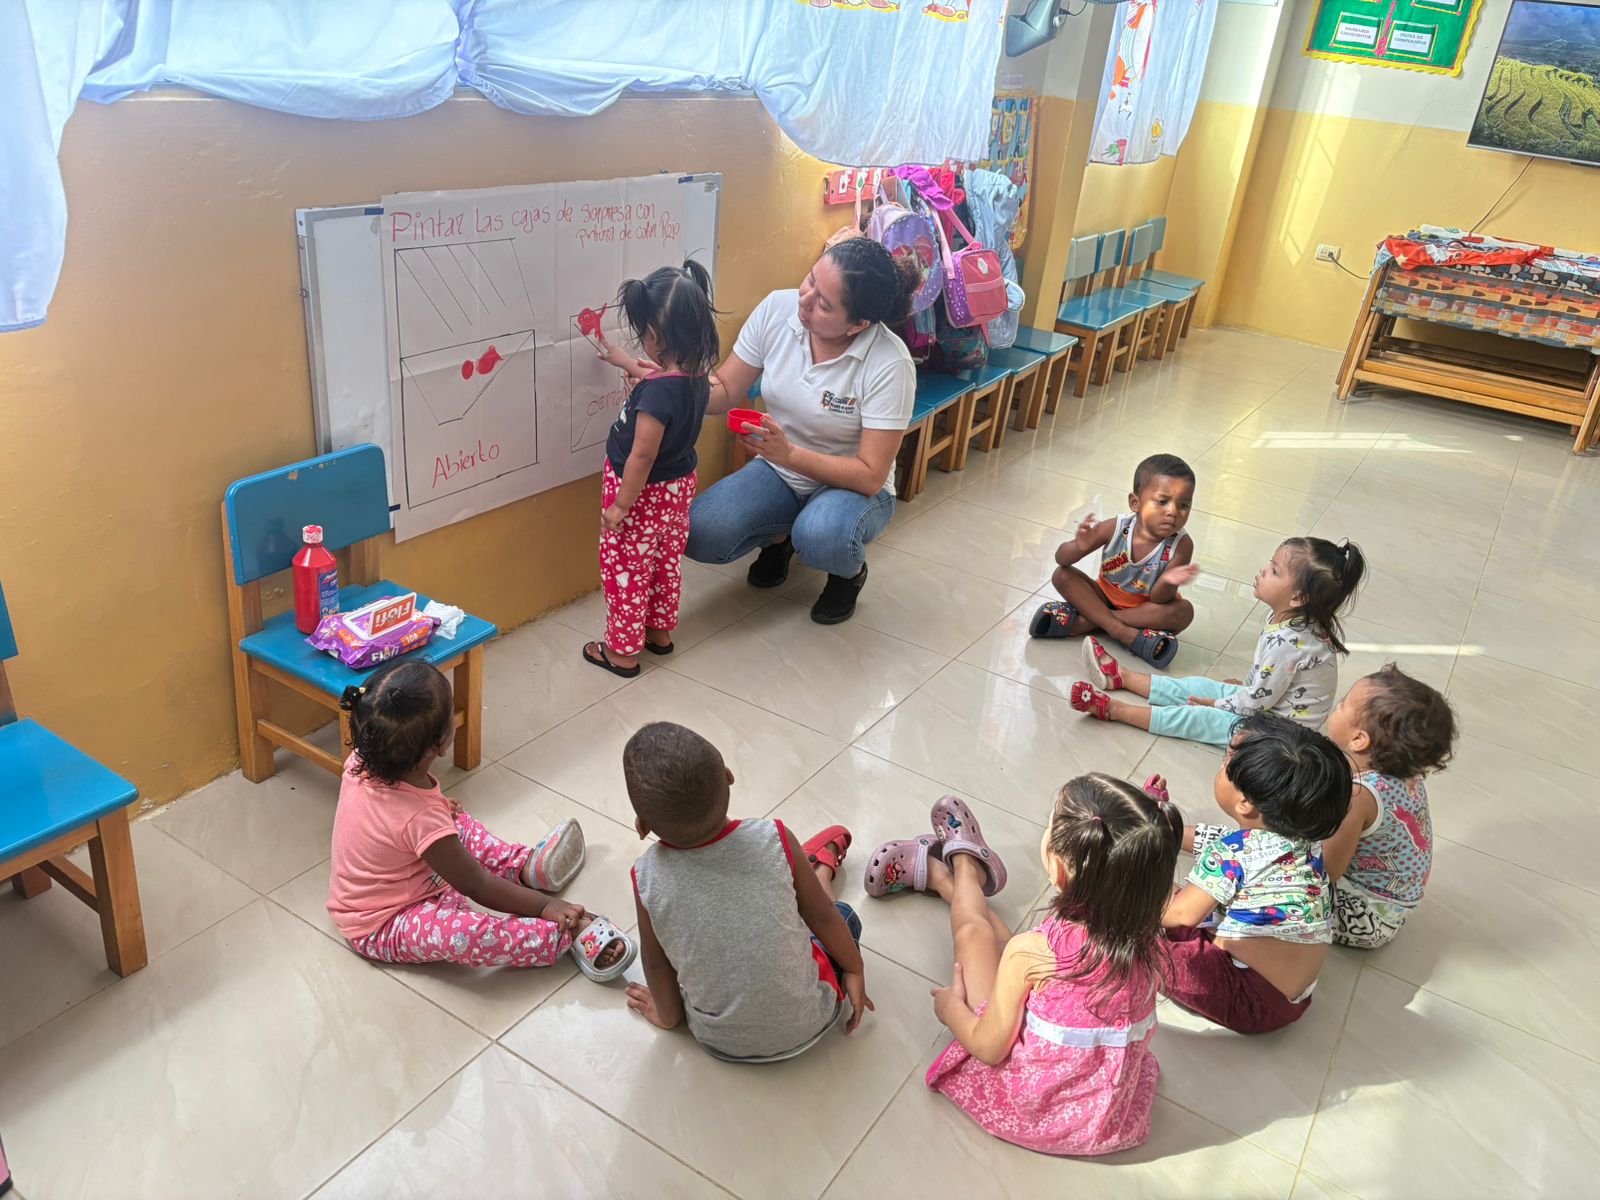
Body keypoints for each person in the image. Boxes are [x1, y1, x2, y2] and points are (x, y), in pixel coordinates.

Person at [867, 786, 1180, 1156]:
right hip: (1104, 1122)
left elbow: (988, 1048)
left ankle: (962, 867)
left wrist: (950, 1009)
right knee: (1012, 949)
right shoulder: (1150, 943)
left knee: (973, 933)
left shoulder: (1033, 953)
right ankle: (952, 882)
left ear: (1058, 869)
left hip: (1035, 1115)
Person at [326, 661, 633, 978]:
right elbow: (476, 885)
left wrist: (438, 809)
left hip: (418, 873)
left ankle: (524, 867)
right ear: (440, 743)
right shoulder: (419, 817)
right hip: (382, 922)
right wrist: (544, 907)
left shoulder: (365, 758)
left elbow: (388, 815)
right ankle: (561, 933)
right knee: (463, 934)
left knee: (453, 821)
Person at [684, 239, 919, 624]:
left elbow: (870, 475)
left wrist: (789, 454)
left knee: (821, 535)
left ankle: (847, 573)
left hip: (853, 487)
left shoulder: (889, 363)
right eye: (810, 280)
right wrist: (673, 381)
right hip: (780, 469)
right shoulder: (778, 309)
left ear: (858, 324)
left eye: (824, 304)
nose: (804, 301)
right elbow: (724, 389)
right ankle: (781, 539)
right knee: (700, 532)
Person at [622, 722, 873, 1060]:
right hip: (815, 1018)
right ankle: (818, 873)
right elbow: (824, 918)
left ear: (642, 826)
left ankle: (810, 873)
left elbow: (655, 965)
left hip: (718, 1041)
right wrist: (854, 969)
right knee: (843, 915)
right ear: (729, 777)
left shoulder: (645, 877)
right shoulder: (774, 837)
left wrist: (667, 1017)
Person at [1072, 537, 1365, 747]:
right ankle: (1121, 677)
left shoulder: (1290, 642)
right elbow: (1267, 679)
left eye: (1275, 571)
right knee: (1199, 686)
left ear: (1298, 598)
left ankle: (1114, 710)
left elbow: (1259, 699)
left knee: (1199, 718)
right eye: (1270, 564)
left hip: (1280, 734)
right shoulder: (1285, 618)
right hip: (1267, 706)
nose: (1264, 570)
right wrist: (1240, 689)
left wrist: (1218, 704)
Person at [1161, 713, 1352, 1033]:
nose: (1220, 766)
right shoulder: (1306, 842)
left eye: (1225, 763)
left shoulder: (1234, 852)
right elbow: (1218, 842)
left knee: (1139, 940)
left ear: (1245, 803)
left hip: (1248, 998)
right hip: (1293, 998)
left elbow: (1180, 915)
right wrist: (1168, 831)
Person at [582, 260, 719, 678]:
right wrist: (627, 362)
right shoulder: (698, 376)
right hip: (676, 492)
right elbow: (658, 375)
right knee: (663, 561)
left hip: (639, 496)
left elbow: (641, 456)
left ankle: (622, 653)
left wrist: (621, 506)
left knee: (627, 568)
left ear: (655, 336)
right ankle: (659, 633)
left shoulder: (657, 397)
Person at [1321, 665, 1457, 948]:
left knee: (1276, 873)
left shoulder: (1359, 796)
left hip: (1363, 918)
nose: (1337, 705)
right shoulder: (1404, 772)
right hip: (1391, 907)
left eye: (1343, 703)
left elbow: (1327, 870)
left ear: (1359, 739)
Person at [1028, 453, 1201, 667]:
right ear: (1135, 503)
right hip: (1103, 595)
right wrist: (1078, 546)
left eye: (1184, 505)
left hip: (1145, 610)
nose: (1173, 511)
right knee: (1061, 575)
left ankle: (1089, 621)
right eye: (1162, 501)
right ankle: (1122, 632)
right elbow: (1061, 559)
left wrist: (1168, 581)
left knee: (1184, 612)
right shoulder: (1116, 527)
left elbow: (1159, 600)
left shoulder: (1182, 544)